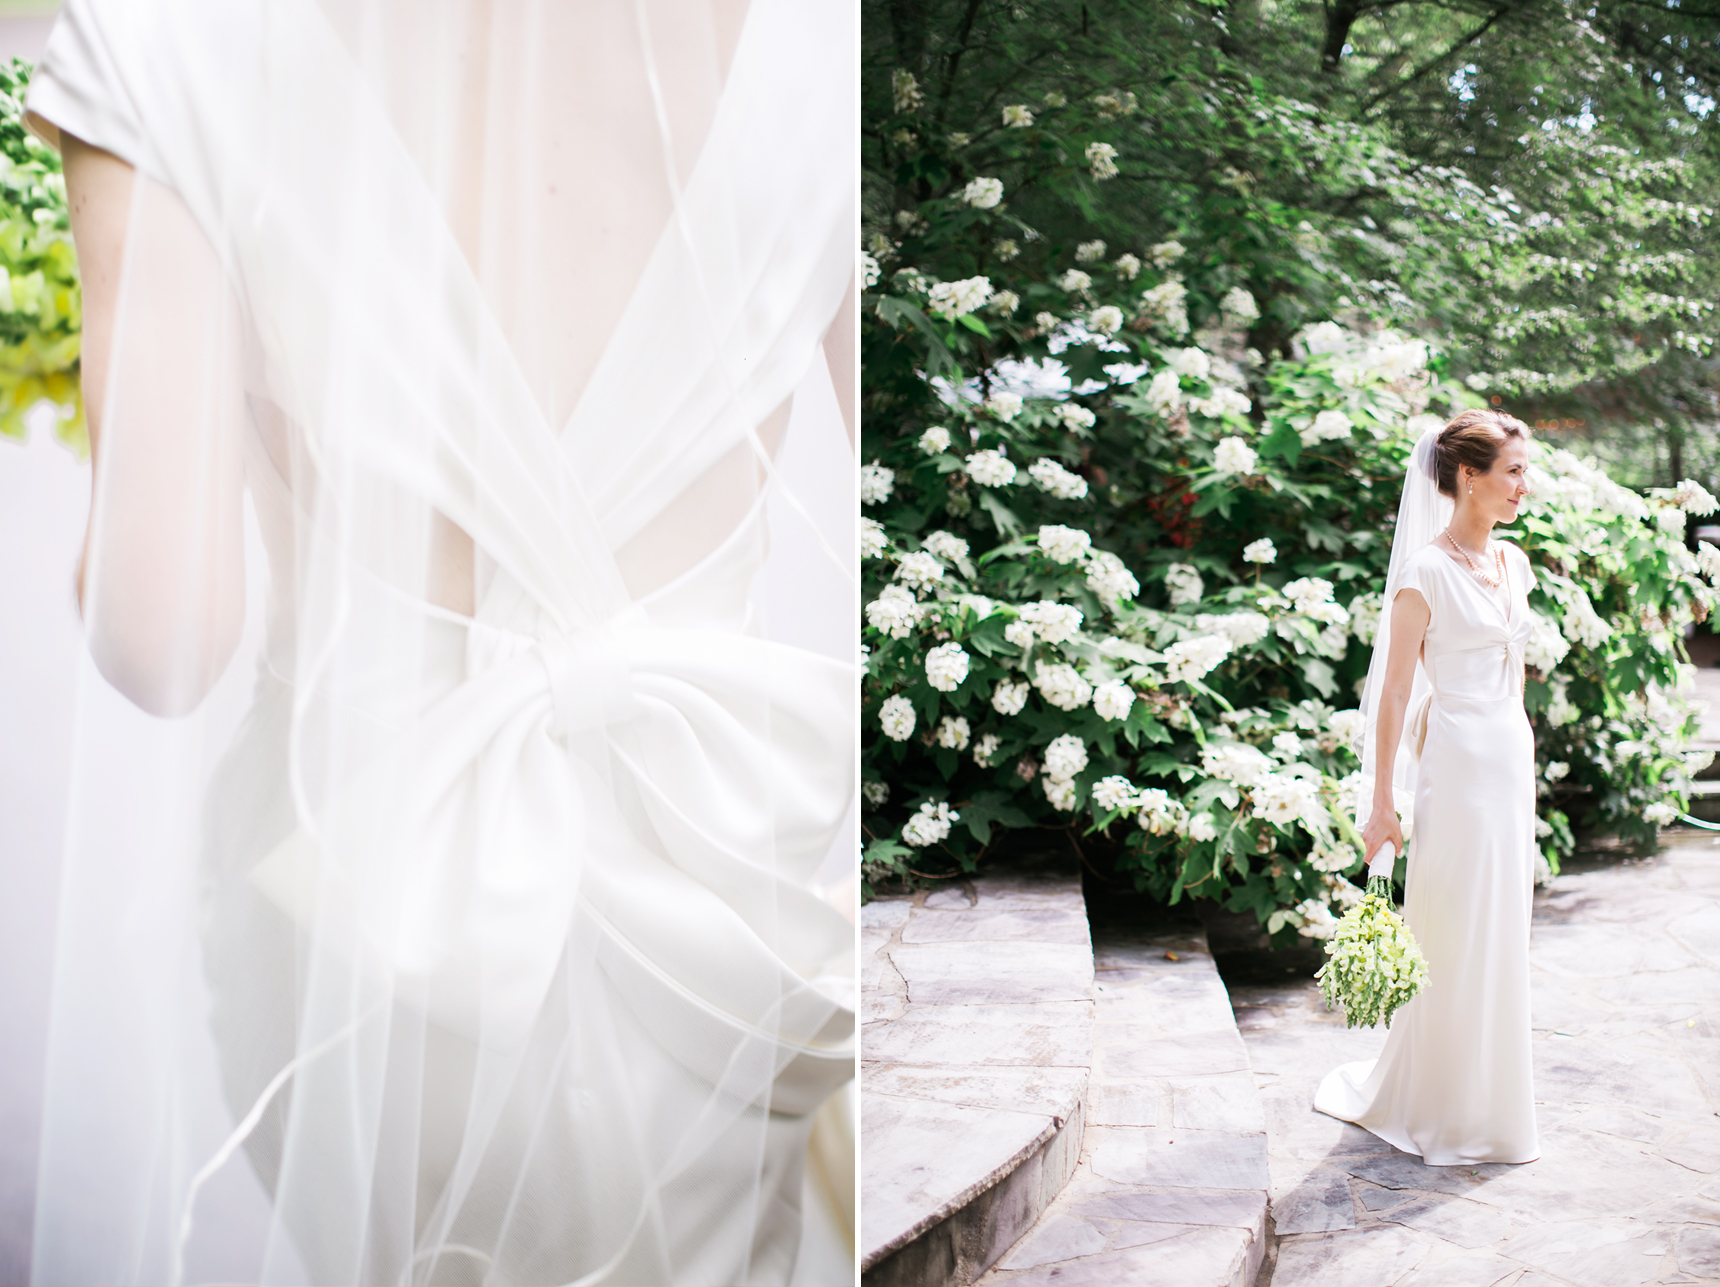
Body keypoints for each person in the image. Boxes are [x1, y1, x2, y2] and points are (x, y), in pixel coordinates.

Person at [24, 0, 857, 1283]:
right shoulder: (832, 39)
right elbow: (917, 514)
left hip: (360, 898)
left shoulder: (161, 37)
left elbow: (166, 638)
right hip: (730, 880)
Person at [1313, 409, 1540, 1166]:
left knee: (1504, 927)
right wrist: (1384, 801)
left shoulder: (1516, 565)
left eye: (1523, 470)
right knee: (1454, 927)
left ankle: (1495, 1101)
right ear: (1467, 477)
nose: (1522, 485)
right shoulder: (1425, 573)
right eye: (1511, 470)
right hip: (1457, 766)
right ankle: (1442, 1101)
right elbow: (1394, 693)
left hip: (1511, 760)